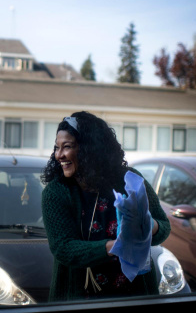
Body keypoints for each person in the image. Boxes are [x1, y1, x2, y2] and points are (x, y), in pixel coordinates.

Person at [40, 111, 170, 301]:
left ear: (89, 149)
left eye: (67, 147)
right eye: (57, 148)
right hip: (81, 300)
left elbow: (164, 226)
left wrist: (147, 225)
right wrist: (114, 247)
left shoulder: (130, 180)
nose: (59, 155)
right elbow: (63, 247)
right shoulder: (56, 192)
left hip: (135, 297)